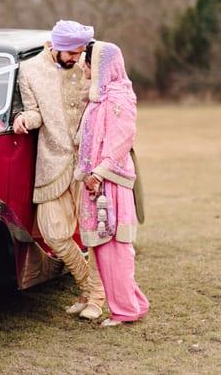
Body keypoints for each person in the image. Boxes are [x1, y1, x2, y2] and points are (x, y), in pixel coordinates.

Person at [14, 20, 105, 319]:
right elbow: (35, 112)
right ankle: (86, 285)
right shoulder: (29, 71)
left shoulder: (88, 68)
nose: (78, 59)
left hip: (88, 163)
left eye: (81, 53)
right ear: (58, 47)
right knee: (53, 234)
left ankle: (96, 298)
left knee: (93, 233)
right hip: (51, 162)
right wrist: (23, 119)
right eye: (74, 53)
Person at [75, 41, 149, 327]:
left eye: (88, 62)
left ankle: (125, 310)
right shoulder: (101, 97)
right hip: (97, 179)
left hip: (110, 180)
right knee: (104, 248)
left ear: (104, 66)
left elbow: (121, 140)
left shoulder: (118, 97)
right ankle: (134, 303)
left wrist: (98, 173)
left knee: (115, 247)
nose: (84, 67)